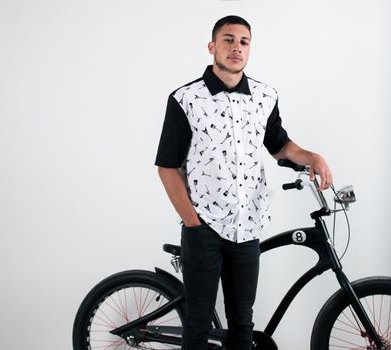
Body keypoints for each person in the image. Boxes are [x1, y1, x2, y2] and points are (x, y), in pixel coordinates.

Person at [155, 15, 332, 350]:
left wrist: (313, 157)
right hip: (203, 225)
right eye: (228, 39)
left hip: (247, 225)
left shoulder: (265, 97)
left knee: (242, 323)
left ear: (250, 49)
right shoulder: (185, 100)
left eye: (243, 42)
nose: (236, 47)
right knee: (198, 322)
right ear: (212, 47)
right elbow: (167, 167)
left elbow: (280, 145)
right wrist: (193, 224)